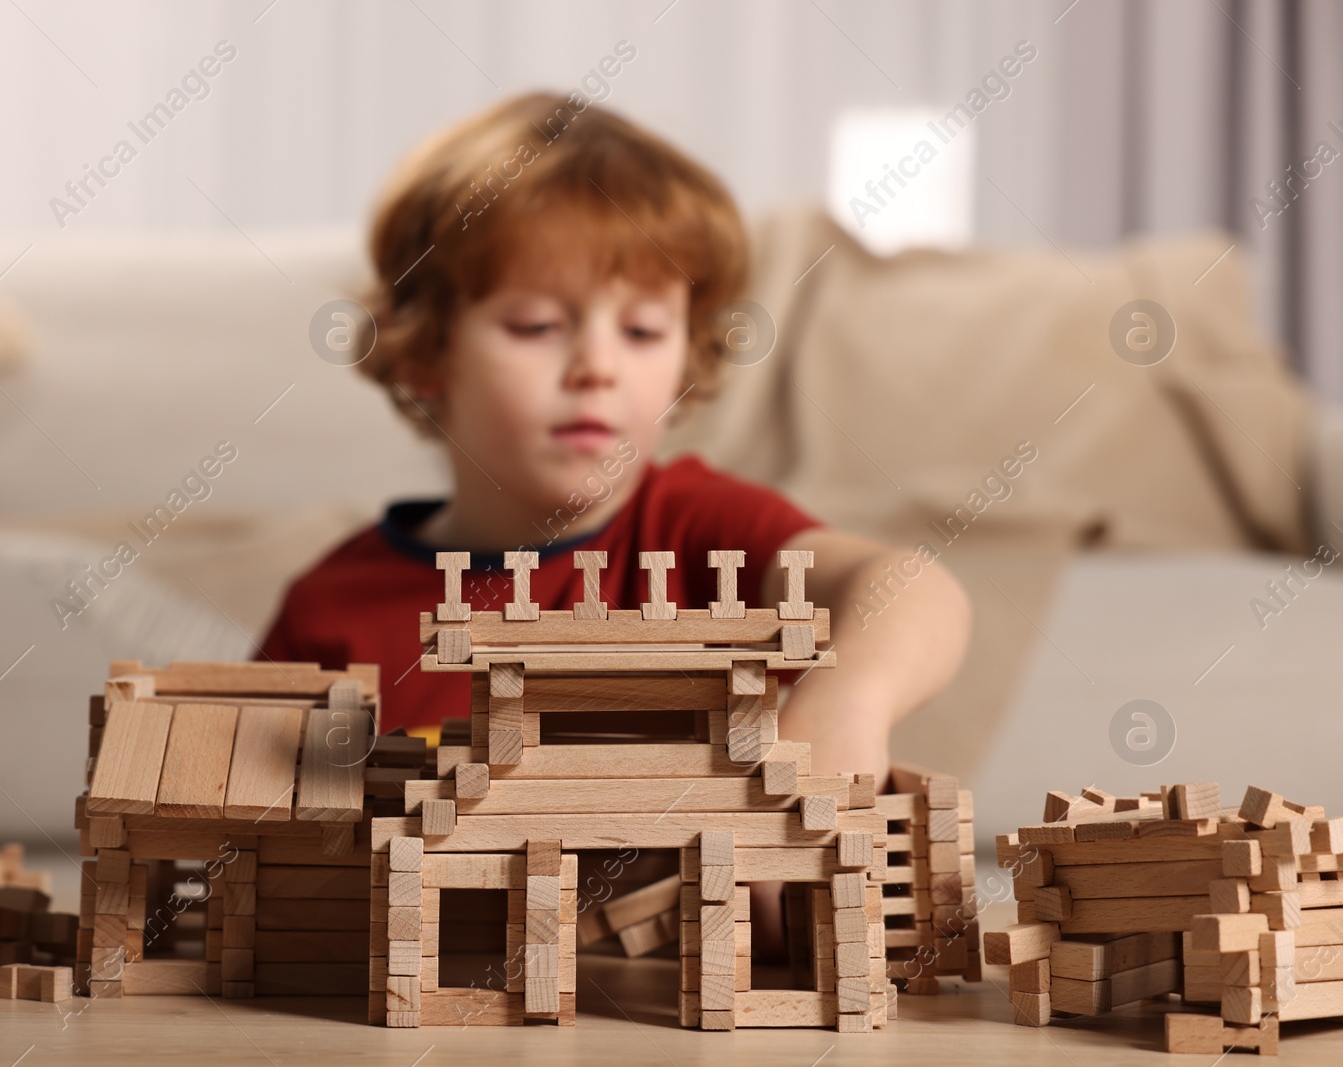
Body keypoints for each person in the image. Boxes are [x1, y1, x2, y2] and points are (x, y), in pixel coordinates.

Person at [257, 90, 969, 798]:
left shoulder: (697, 531)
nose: (598, 366)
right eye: (536, 325)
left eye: (643, 331)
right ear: (423, 352)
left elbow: (910, 590)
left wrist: (847, 701)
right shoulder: (328, 608)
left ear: (687, 355)